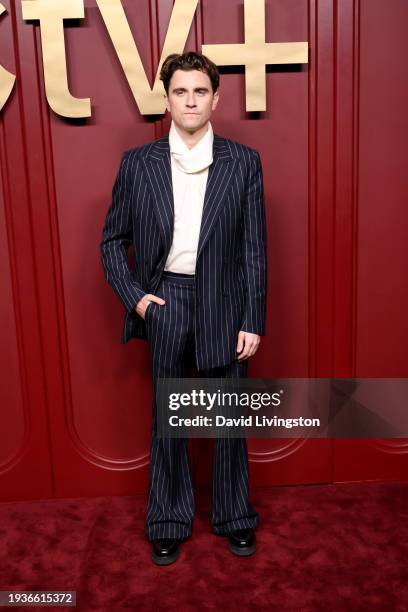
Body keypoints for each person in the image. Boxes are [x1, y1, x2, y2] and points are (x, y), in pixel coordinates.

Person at [100, 51, 267, 566]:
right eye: (180, 91)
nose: (190, 100)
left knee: (228, 418)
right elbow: (111, 241)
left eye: (200, 91)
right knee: (168, 420)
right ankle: (168, 520)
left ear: (216, 99)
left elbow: (254, 248)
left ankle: (235, 517)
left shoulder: (243, 161)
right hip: (167, 302)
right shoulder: (138, 164)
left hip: (224, 303)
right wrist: (137, 299)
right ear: (166, 99)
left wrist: (253, 320)